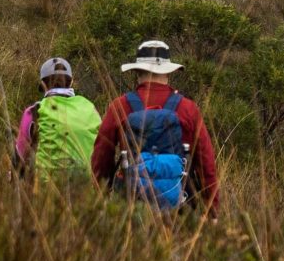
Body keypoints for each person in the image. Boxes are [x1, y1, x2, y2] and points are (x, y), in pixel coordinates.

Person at [91, 38, 220, 211]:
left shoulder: (119, 106)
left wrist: (101, 200)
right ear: (168, 72)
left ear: (137, 71)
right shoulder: (188, 109)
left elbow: (101, 157)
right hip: (180, 205)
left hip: (129, 206)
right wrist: (212, 211)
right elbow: (207, 165)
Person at [13, 56, 102, 182]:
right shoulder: (89, 108)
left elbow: (20, 157)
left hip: (47, 192)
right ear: (71, 82)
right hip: (87, 191)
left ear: (43, 84)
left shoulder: (34, 111)